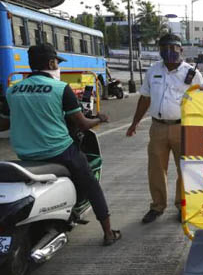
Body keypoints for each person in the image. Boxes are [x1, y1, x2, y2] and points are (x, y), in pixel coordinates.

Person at [0, 43, 120, 246]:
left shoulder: (13, 90)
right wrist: (99, 118)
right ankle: (108, 232)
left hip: (26, 155)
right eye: (57, 63)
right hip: (59, 152)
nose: (58, 67)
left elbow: (3, 123)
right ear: (51, 62)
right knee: (91, 184)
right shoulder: (60, 88)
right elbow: (81, 124)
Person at [126, 33, 203, 224]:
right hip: (158, 128)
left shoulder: (193, 74)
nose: (169, 51)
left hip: (183, 127)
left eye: (173, 48)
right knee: (156, 169)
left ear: (181, 49)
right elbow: (145, 98)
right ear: (160, 50)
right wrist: (135, 123)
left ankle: (182, 205)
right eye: (165, 48)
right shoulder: (153, 71)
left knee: (184, 169)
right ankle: (157, 206)